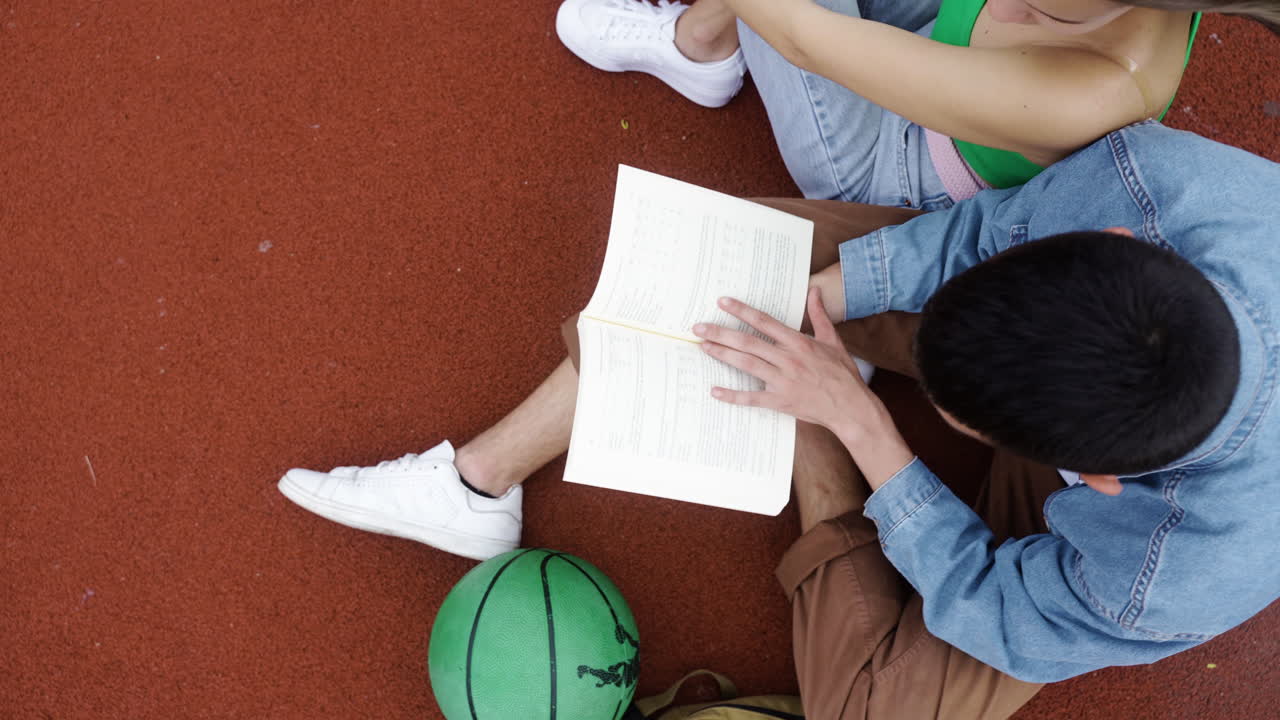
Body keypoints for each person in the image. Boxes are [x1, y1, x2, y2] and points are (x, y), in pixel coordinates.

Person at [278, 122, 1280, 717]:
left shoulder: (1169, 573)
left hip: (1086, 536)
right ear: (1108, 240)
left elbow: (985, 600)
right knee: (726, 263)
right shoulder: (1156, 182)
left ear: (1091, 483)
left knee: (864, 710)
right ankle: (472, 486)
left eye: (955, 413)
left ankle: (804, 412)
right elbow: (984, 230)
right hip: (1083, 374)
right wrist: (835, 292)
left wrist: (855, 427)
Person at [554, 0, 1278, 208]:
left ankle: (696, 42)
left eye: (1038, 8)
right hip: (945, 40)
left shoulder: (1100, 87)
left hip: (888, 166)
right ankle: (707, 40)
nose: (1019, 12)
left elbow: (807, 40)